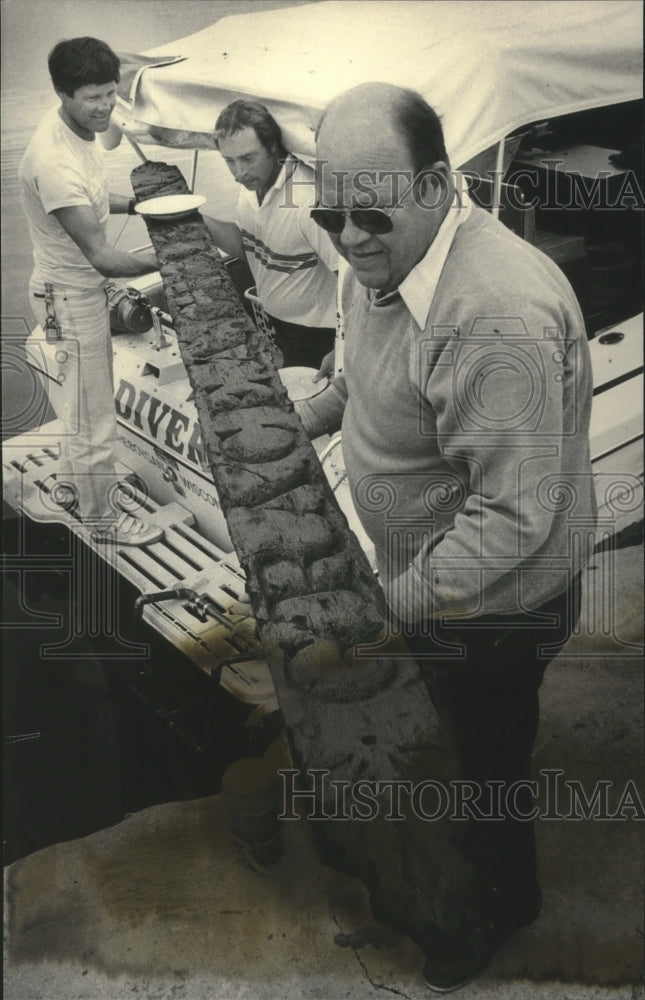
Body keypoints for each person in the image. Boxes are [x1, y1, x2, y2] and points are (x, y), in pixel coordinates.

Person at [296, 82, 597, 991]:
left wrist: (384, 613)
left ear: (435, 185)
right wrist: (300, 415)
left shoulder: (490, 312)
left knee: (475, 773)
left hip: (497, 604)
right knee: (442, 750)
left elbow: (513, 516)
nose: (348, 238)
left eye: (369, 214)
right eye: (330, 212)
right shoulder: (381, 263)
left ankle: (490, 916)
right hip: (430, 580)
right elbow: (361, 380)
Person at [19, 37, 163, 545]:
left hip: (75, 293)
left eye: (110, 93)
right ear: (62, 92)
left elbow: (95, 200)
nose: (105, 107)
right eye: (92, 97)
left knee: (82, 408)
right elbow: (103, 257)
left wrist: (140, 206)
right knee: (94, 421)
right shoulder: (55, 162)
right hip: (70, 299)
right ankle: (102, 521)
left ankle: (67, 485)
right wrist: (176, 259)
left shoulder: (76, 131)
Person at [204, 100, 338, 371]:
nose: (239, 173)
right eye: (229, 161)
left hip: (318, 337)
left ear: (273, 147)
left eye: (248, 158)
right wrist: (195, 219)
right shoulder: (250, 187)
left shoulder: (309, 199)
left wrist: (343, 348)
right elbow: (249, 248)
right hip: (271, 324)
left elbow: (354, 279)